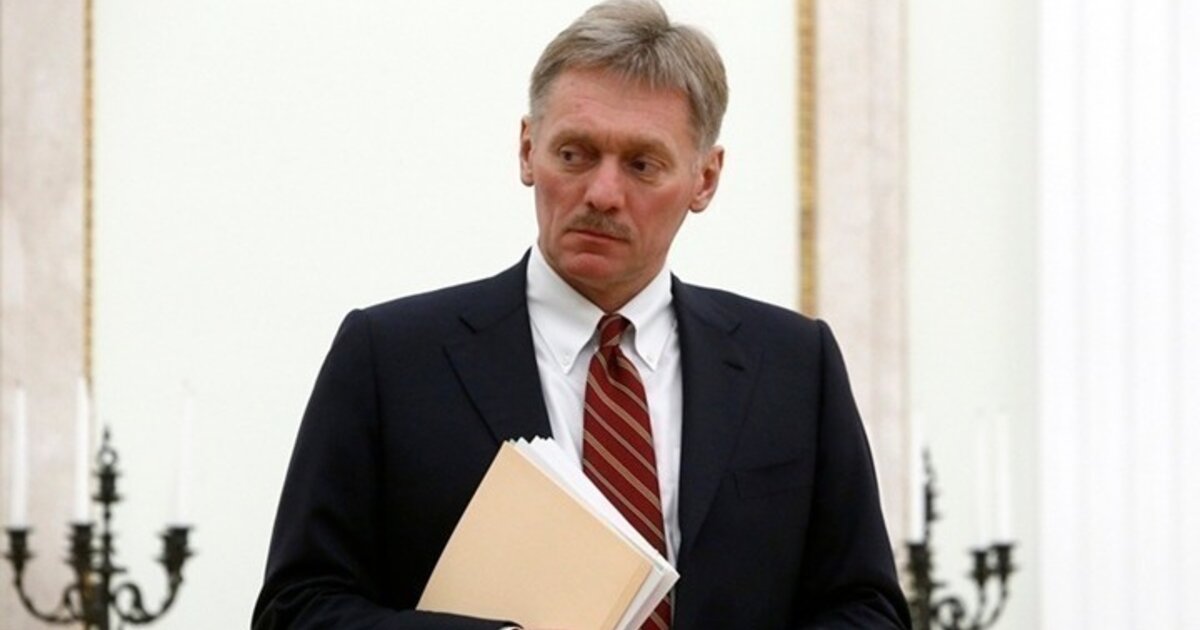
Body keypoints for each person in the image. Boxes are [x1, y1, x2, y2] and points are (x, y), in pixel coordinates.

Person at [252, 1, 910, 628]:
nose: (602, 192)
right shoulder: (390, 359)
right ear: (527, 149)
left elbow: (866, 608)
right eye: (575, 154)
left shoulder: (793, 366)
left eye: (643, 165)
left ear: (705, 179)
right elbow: (298, 608)